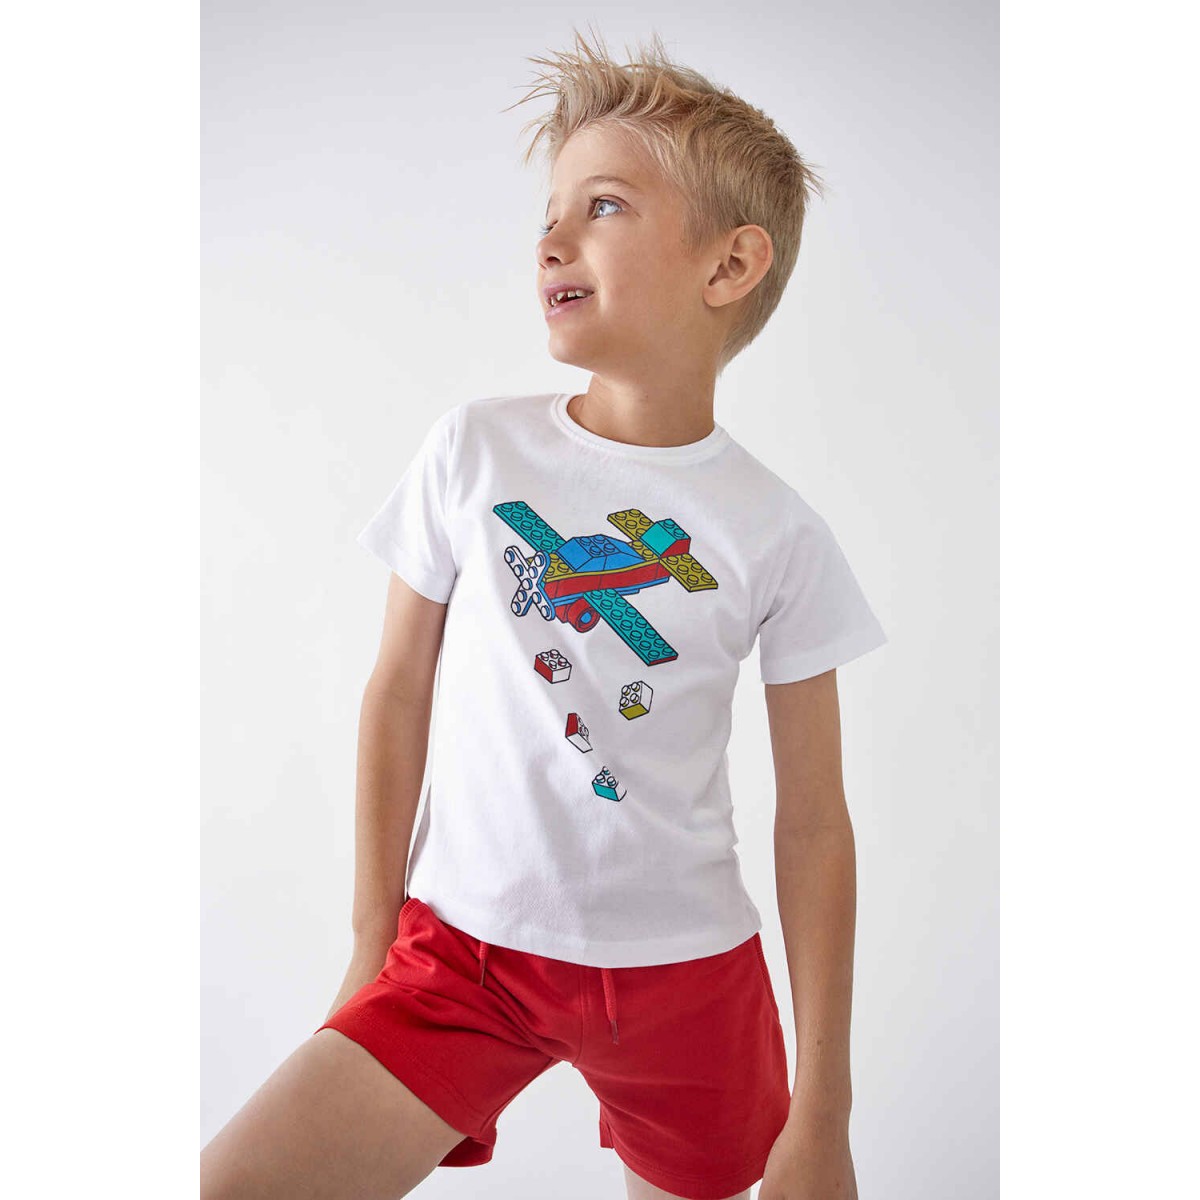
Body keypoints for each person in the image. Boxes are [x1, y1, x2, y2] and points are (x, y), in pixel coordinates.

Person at [201, 27, 887, 1200]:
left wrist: (822, 1111)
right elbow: (397, 691)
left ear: (729, 265)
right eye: (550, 211)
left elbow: (816, 825)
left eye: (604, 205)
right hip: (458, 957)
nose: (552, 238)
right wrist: (371, 942)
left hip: (689, 980)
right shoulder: (474, 450)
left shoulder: (778, 533)